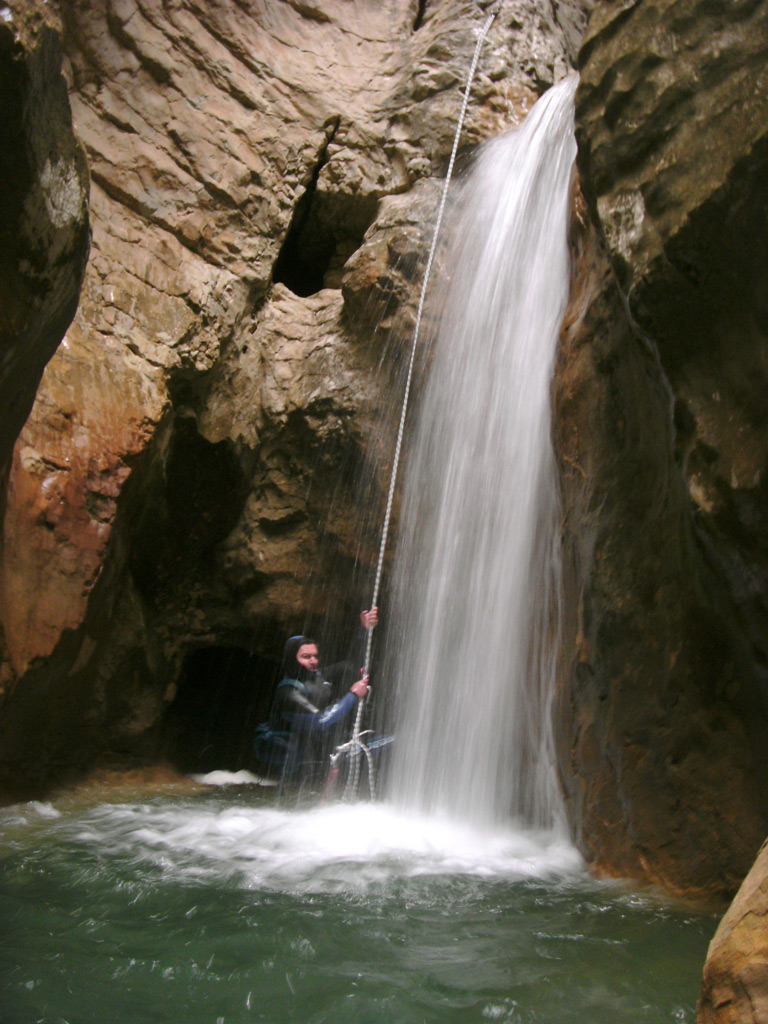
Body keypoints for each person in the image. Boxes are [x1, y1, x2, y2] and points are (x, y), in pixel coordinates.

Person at [254, 609, 377, 789]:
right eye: (306, 657)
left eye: (315, 656)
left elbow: (351, 665)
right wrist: (352, 695)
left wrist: (364, 631)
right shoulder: (288, 692)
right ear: (292, 659)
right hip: (293, 766)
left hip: (315, 756)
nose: (313, 661)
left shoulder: (319, 677)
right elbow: (321, 721)